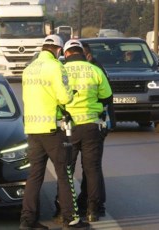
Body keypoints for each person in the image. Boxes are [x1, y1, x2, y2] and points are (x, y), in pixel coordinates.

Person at [20, 34, 89, 230]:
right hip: (52, 128)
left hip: (33, 129)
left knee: (34, 176)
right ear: (58, 50)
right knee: (64, 174)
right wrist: (72, 93)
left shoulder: (29, 69)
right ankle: (71, 219)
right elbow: (64, 97)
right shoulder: (56, 67)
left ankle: (27, 220)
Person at [57, 39, 113, 223]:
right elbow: (107, 97)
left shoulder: (61, 71)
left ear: (66, 54)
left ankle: (67, 210)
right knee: (92, 169)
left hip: (69, 128)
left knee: (67, 169)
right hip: (91, 126)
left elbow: (56, 98)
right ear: (82, 52)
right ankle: (92, 210)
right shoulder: (95, 70)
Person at [76, 42, 116, 217]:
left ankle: (95, 204)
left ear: (88, 56)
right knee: (92, 167)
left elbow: (107, 98)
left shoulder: (95, 70)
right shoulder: (95, 69)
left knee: (91, 168)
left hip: (94, 122)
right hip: (95, 123)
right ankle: (91, 203)